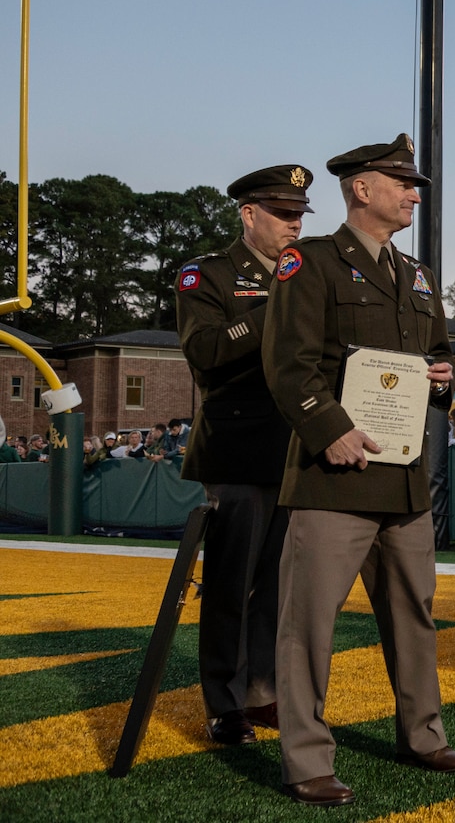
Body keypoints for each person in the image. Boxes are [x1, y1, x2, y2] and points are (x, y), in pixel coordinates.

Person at [262, 134, 455, 807]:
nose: (413, 193)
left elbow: (436, 361)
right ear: (361, 189)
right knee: (308, 626)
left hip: (403, 478)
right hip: (334, 476)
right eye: (402, 182)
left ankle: (422, 733)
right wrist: (331, 431)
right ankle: (306, 761)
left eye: (414, 185)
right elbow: (287, 362)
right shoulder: (310, 261)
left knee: (414, 615)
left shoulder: (417, 274)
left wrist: (443, 378)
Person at [176, 163, 312, 747]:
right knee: (231, 587)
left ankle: (261, 690)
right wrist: (274, 309)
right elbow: (205, 351)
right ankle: (225, 705)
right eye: (283, 214)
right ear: (248, 213)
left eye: (299, 216)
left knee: (279, 587)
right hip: (236, 450)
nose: (294, 227)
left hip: (295, 450)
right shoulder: (206, 274)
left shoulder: (305, 274)